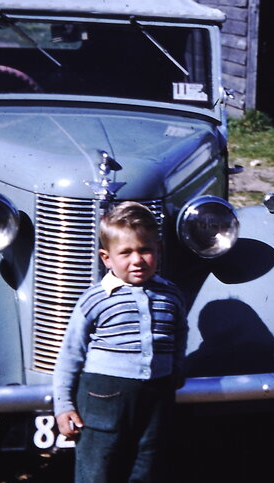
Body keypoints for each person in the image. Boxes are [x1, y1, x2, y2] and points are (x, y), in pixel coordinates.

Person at [53, 201, 187, 483]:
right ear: (106, 258)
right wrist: (63, 405)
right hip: (104, 395)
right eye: (125, 252)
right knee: (98, 465)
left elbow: (180, 333)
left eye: (145, 250)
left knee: (148, 464)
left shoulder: (170, 295)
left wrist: (175, 367)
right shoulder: (96, 299)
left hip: (156, 393)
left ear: (158, 251)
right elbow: (70, 353)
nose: (137, 260)